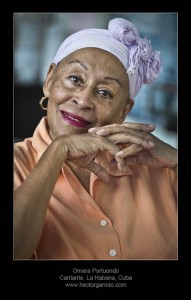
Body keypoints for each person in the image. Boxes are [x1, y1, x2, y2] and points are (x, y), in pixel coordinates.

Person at [14, 17, 177, 260]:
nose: (83, 100)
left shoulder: (161, 169)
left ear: (124, 110)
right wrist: (57, 151)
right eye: (75, 79)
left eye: (104, 93)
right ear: (50, 80)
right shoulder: (18, 162)